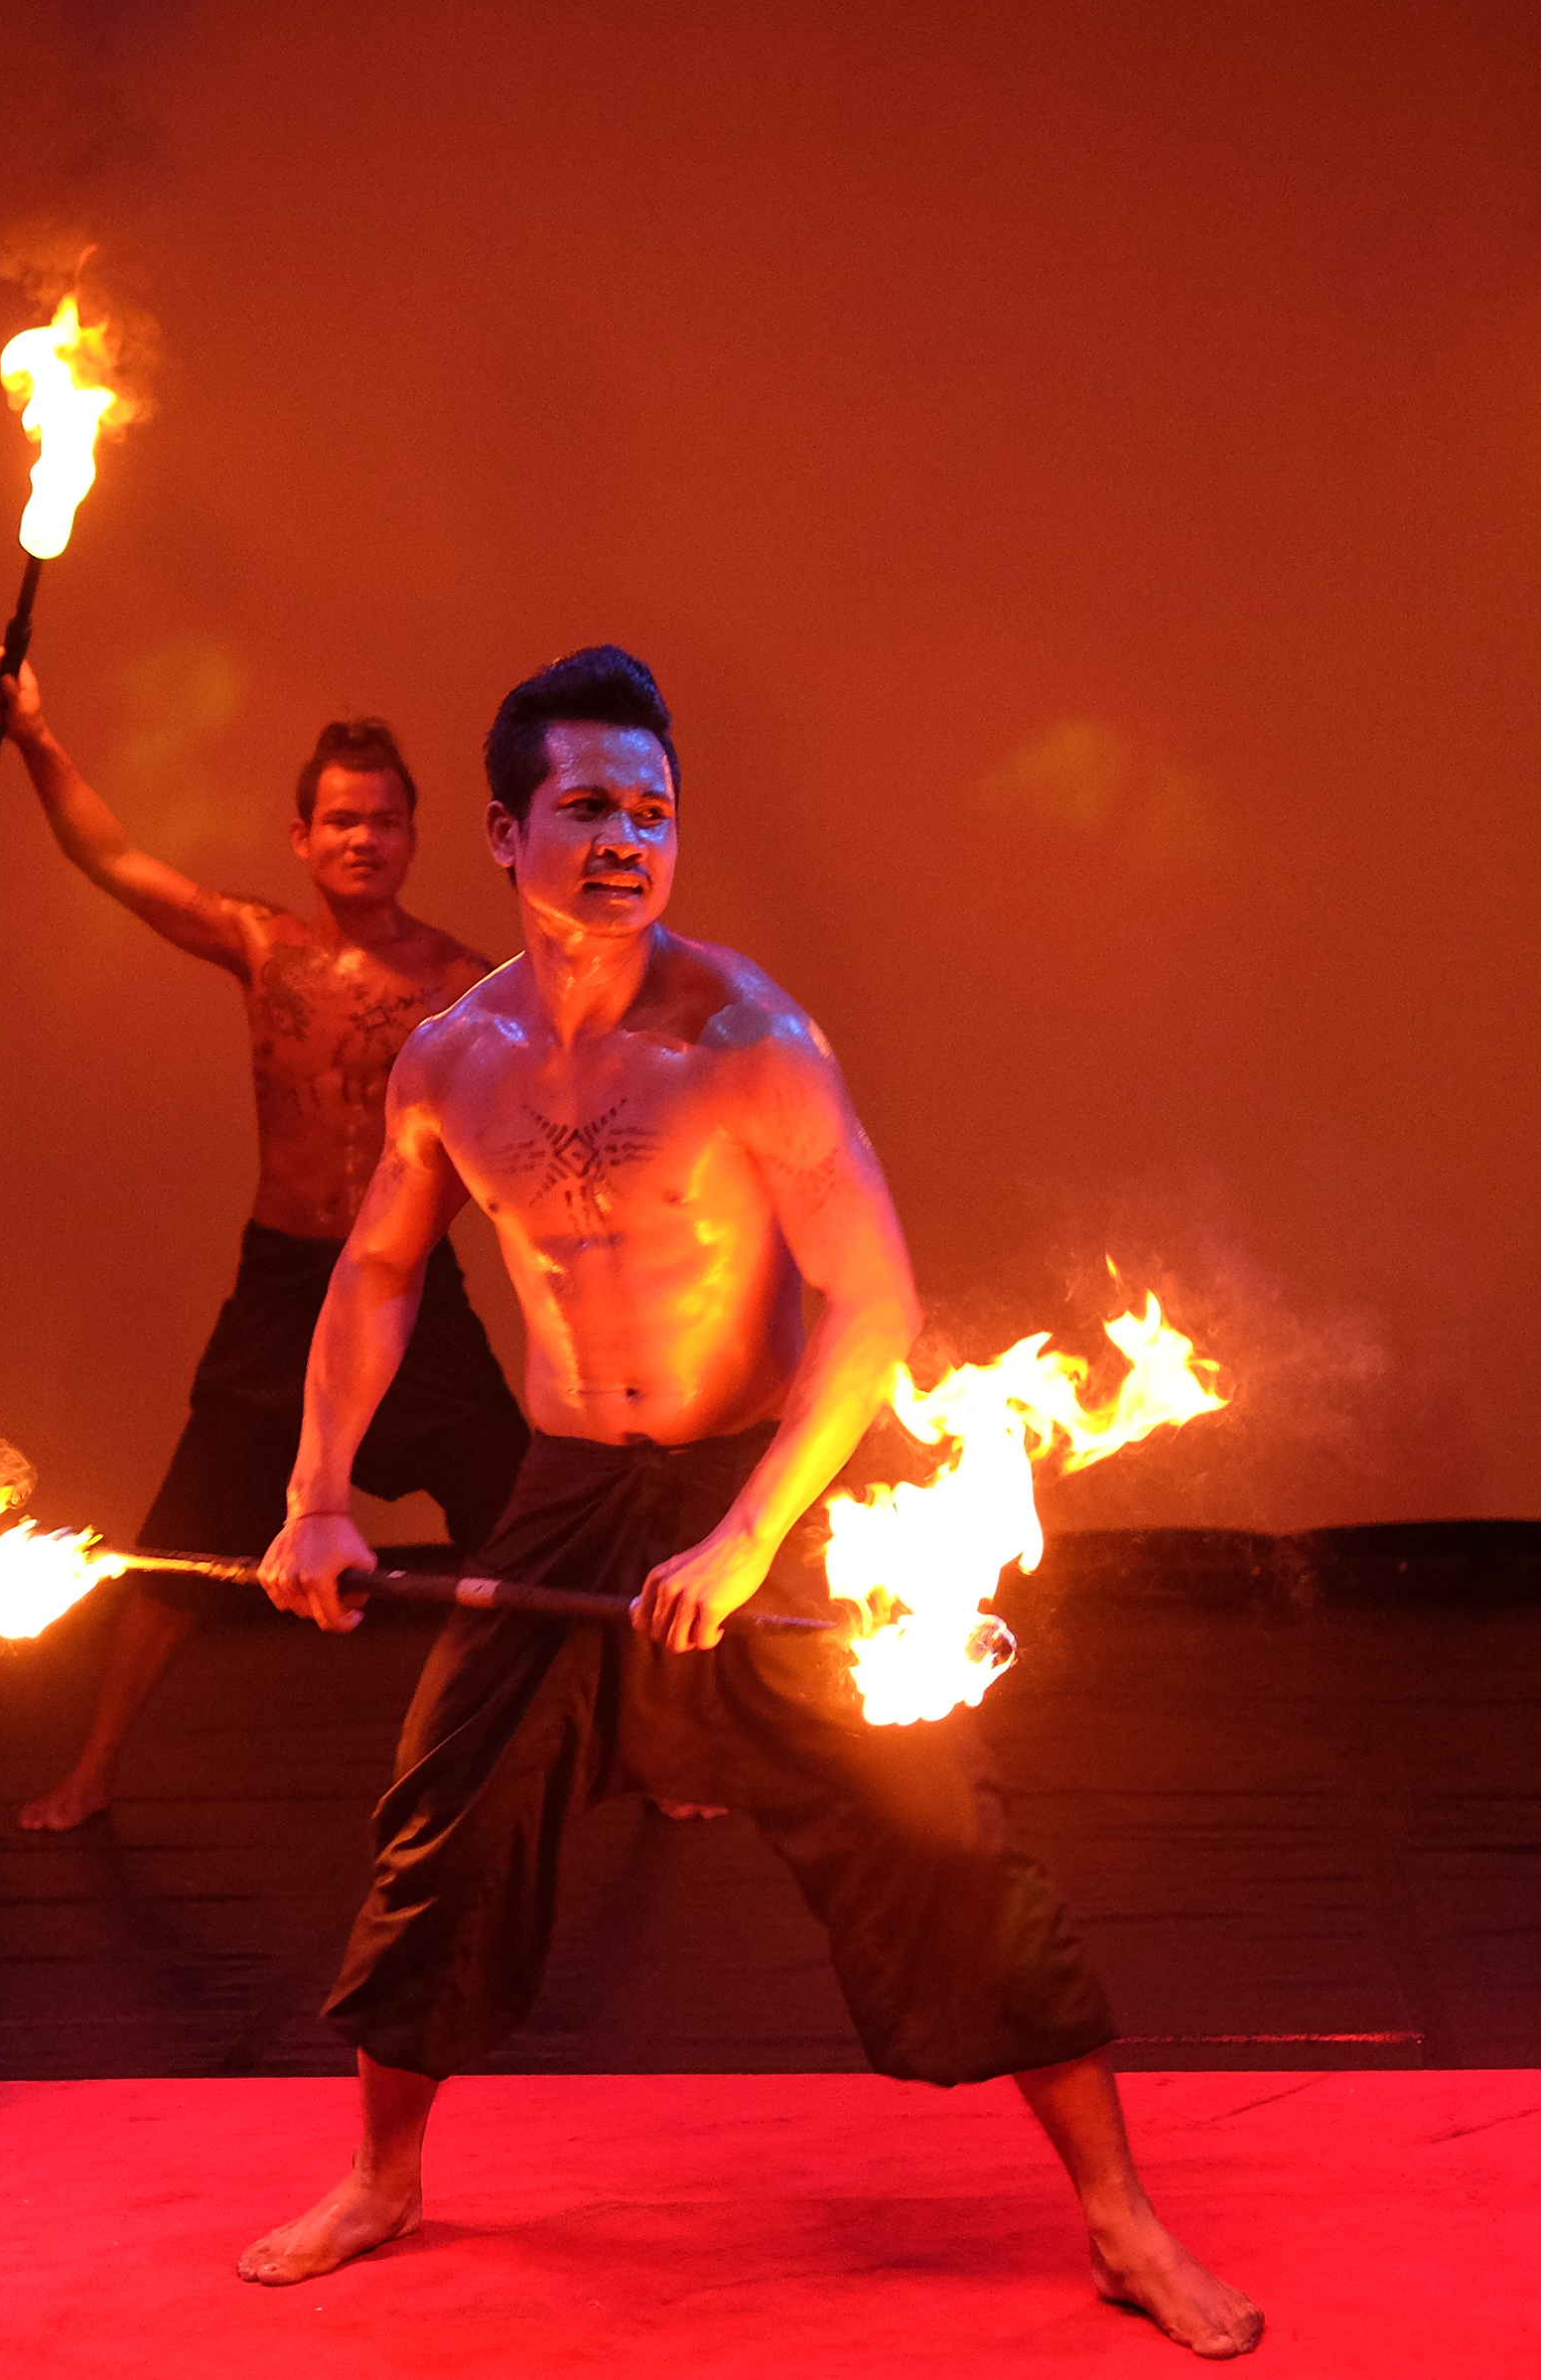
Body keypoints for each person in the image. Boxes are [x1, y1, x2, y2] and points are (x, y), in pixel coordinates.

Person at [238, 646, 1262, 2358]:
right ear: (504, 828)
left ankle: (1119, 2217)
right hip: (571, 1481)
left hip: (757, 1474)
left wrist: (749, 1531)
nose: (628, 837)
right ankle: (381, 2179)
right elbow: (380, 1275)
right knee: (447, 1821)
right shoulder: (451, 1060)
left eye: (654, 810)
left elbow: (872, 1305)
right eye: (590, 807)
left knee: (940, 1830)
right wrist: (314, 1495)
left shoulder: (750, 1041)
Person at [0, 657, 531, 1832]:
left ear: (412, 835)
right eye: (341, 819)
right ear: (301, 836)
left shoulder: (465, 986)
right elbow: (109, 859)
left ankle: (641, 1754)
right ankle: (96, 1768)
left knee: (528, 1531)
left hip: (412, 1289)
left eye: (383, 820)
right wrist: (30, 731)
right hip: (284, 1288)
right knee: (186, 1531)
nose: (363, 838)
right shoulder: (263, 948)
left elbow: (542, 1110)